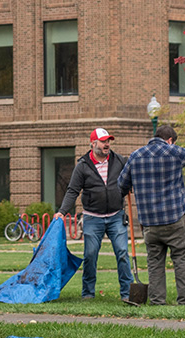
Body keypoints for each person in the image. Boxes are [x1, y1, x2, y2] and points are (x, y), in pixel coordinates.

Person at [117, 123, 185, 306]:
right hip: (174, 219)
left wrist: (129, 187)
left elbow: (121, 184)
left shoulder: (135, 156)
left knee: (155, 263)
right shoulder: (174, 152)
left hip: (149, 223)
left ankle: (157, 301)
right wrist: (176, 149)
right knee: (181, 260)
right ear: (170, 140)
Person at [54, 127, 133, 302]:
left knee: (122, 253)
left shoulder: (119, 161)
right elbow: (72, 191)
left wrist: (131, 184)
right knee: (90, 255)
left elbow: (131, 176)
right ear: (93, 144)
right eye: (103, 141)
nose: (107, 144)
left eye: (108, 141)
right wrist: (62, 212)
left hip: (116, 216)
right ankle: (88, 293)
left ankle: (127, 293)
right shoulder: (82, 166)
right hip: (92, 218)